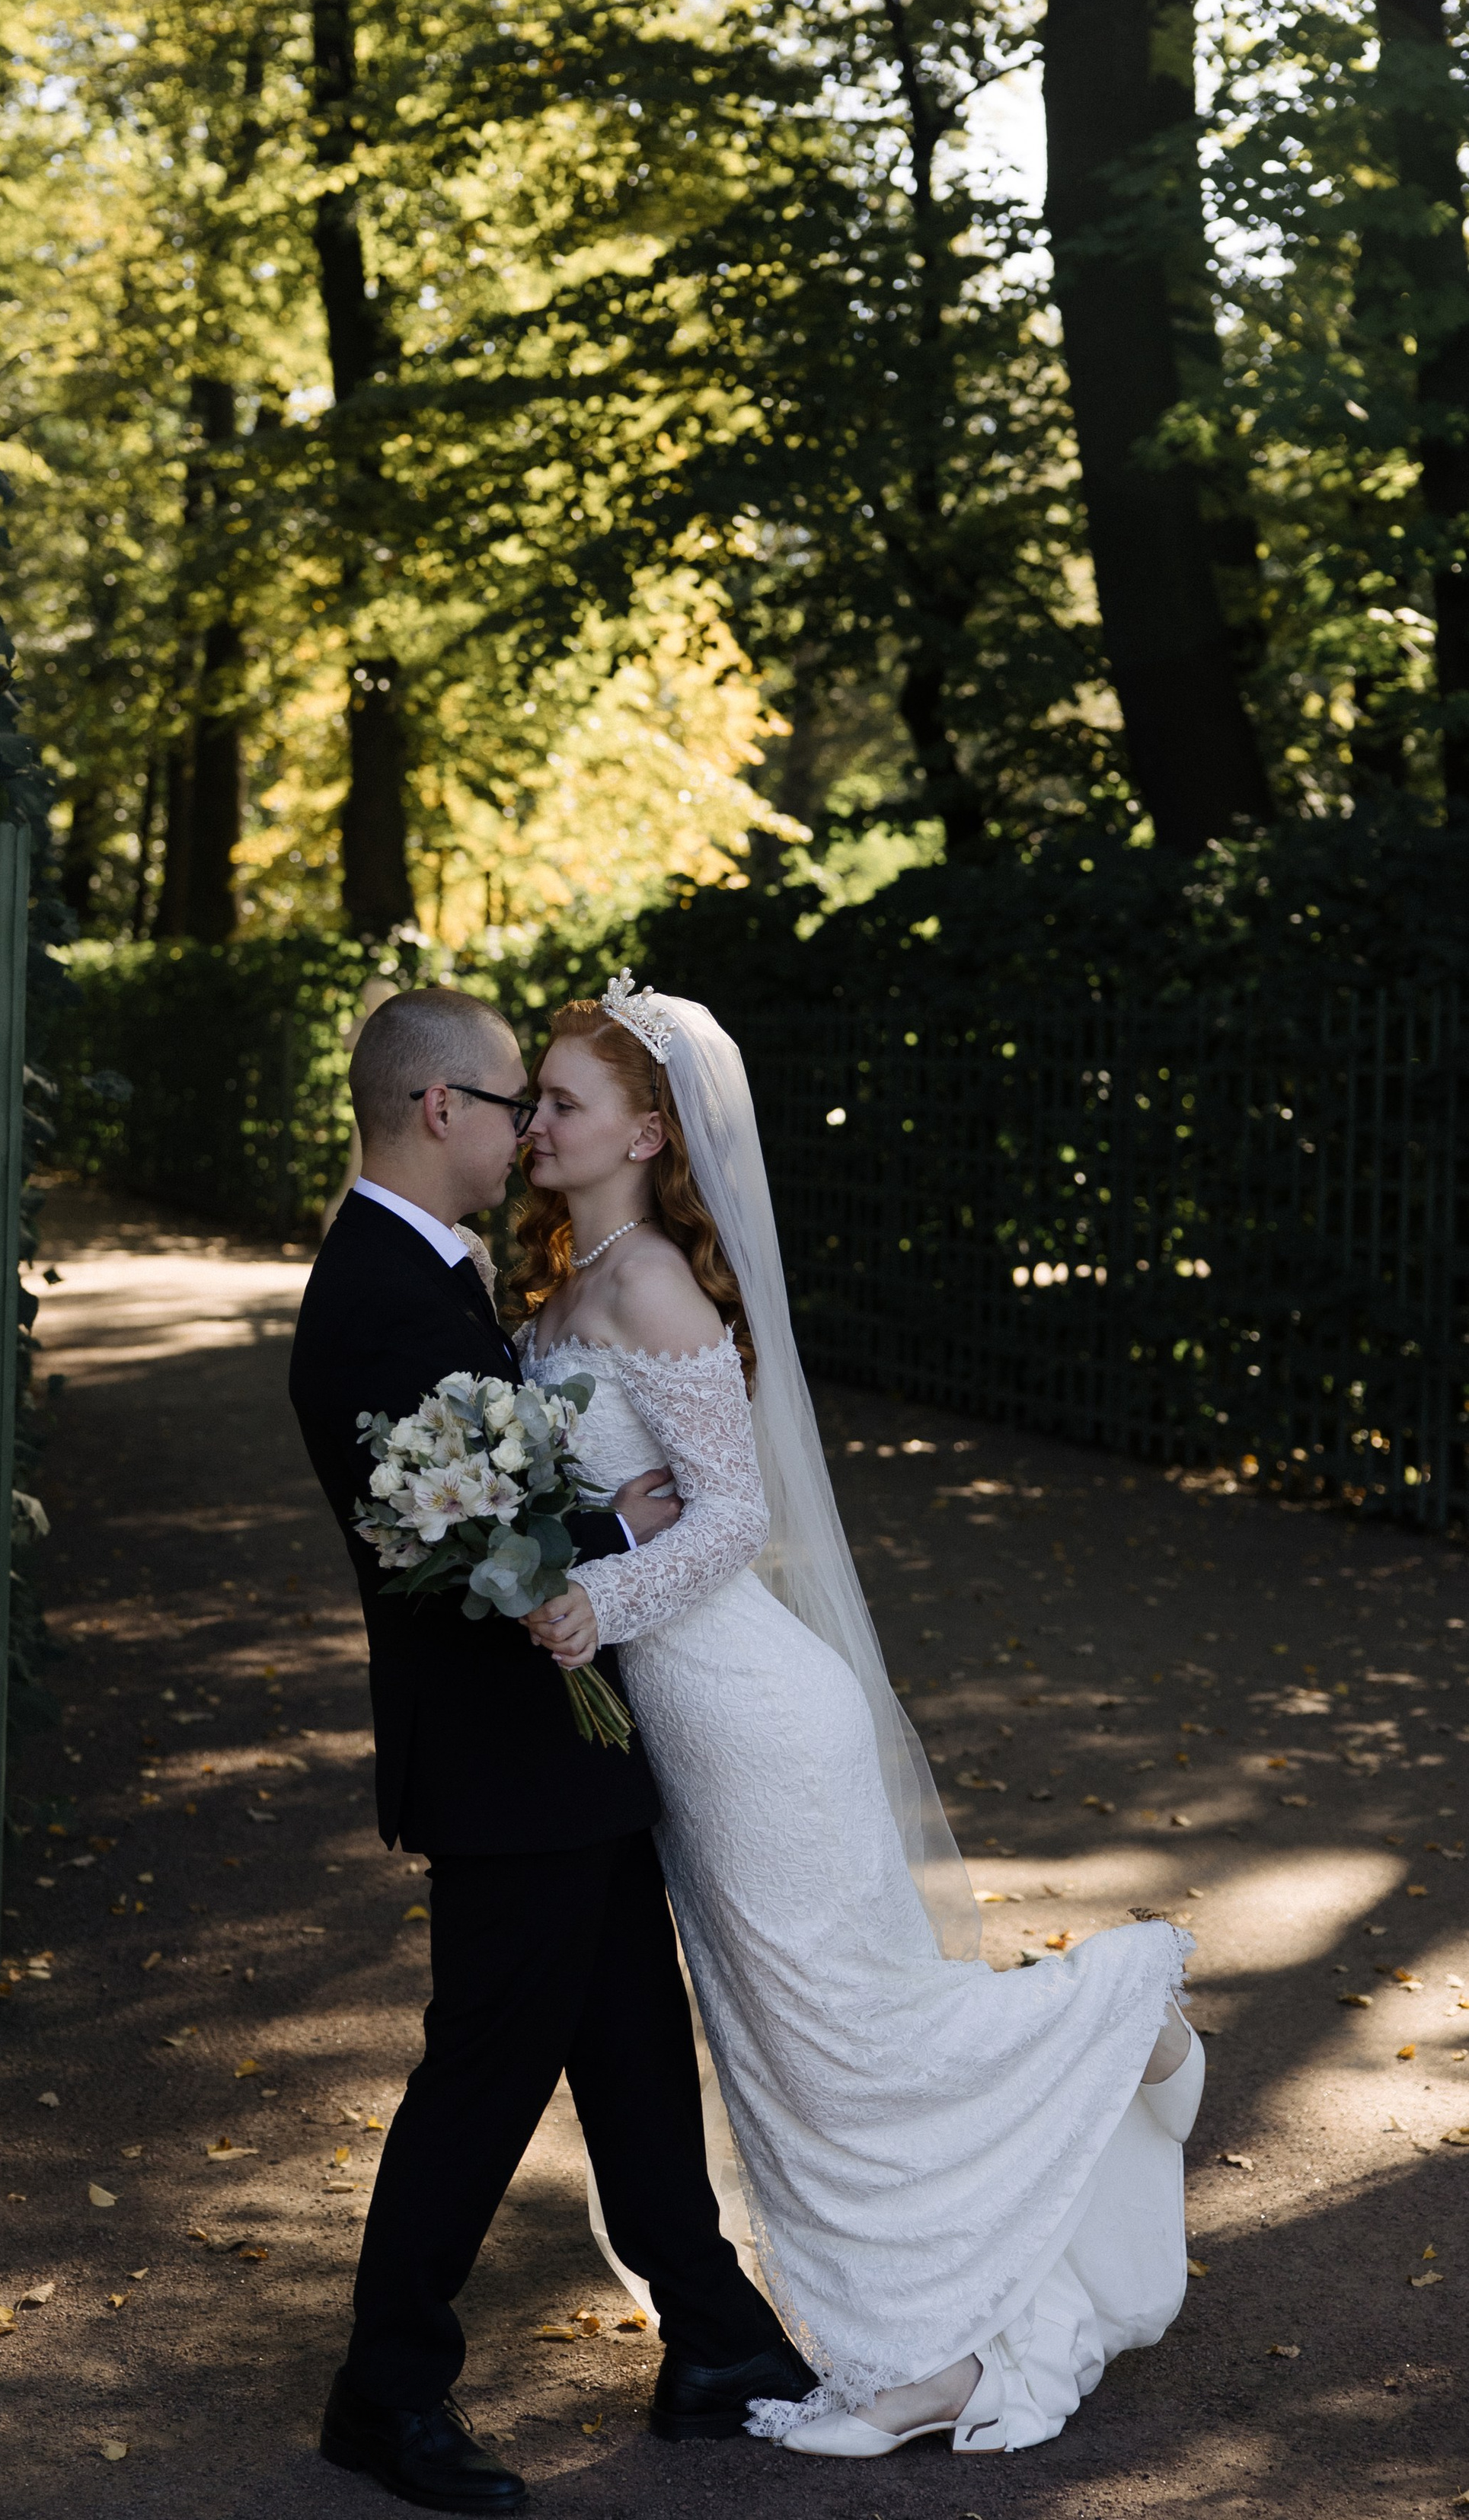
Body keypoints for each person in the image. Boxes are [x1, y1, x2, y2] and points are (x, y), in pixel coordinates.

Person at [516, 973, 1202, 2458]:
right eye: (536, 1097)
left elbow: (733, 1517)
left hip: (751, 1712)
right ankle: (913, 2331)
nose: (534, 1125)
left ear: (645, 1130)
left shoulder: (645, 1284)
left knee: (847, 2033)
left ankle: (1108, 2021)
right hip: (680, 1735)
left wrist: (595, 1600)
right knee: (780, 2049)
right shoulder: (568, 1283)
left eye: (562, 1102)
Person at [288, 982, 814, 2515]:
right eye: (512, 1098)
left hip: (558, 1748)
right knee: (483, 2076)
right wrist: (619, 1521)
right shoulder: (375, 1297)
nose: (527, 1124)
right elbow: (442, 1542)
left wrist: (606, 1529)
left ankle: (711, 2339)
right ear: (438, 1108)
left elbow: (495, 1503)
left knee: (633, 2048)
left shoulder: (430, 1273)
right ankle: (381, 2397)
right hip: (501, 1761)